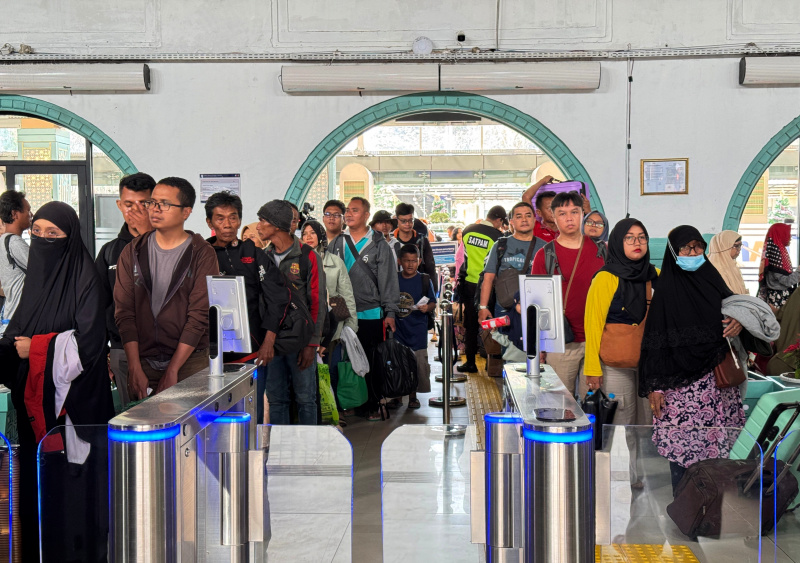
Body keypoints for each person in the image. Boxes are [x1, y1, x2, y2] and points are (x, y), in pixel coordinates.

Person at [0, 202, 115, 561]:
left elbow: (90, 344)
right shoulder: (35, 278)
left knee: (73, 489)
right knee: (40, 489)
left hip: (75, 409)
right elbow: (15, 333)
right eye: (36, 233)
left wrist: (34, 349)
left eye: (53, 234)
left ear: (70, 237)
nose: (43, 240)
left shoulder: (86, 278)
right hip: (35, 408)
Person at [638, 225, 745, 494]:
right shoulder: (666, 291)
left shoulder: (712, 279)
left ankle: (713, 509)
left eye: (698, 246)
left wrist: (738, 321)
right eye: (685, 247)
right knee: (683, 453)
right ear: (674, 251)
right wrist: (656, 387)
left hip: (716, 385)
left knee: (718, 452)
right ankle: (686, 508)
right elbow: (655, 341)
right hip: (680, 390)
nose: (693, 252)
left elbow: (739, 311)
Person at [114, 177, 219, 399]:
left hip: (189, 362)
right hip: (143, 361)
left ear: (186, 212)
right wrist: (134, 366)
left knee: (190, 431)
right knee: (146, 431)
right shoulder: (133, 251)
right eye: (152, 202)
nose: (155, 209)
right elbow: (125, 312)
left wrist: (174, 369)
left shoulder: (202, 253)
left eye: (165, 204)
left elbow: (199, 315)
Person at [205, 191, 290, 424]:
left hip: (252, 351)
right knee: (212, 416)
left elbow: (278, 297)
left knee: (250, 414)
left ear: (240, 220)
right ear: (209, 222)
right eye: (220, 218)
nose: (227, 224)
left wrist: (268, 342)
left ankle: (254, 458)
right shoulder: (201, 254)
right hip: (207, 356)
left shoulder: (253, 253)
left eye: (233, 217)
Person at [329, 196, 400, 421]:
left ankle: (373, 402)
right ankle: (349, 401)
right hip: (341, 314)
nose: (348, 214)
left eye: (355, 211)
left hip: (371, 313)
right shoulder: (337, 242)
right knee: (344, 360)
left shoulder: (379, 244)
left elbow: (389, 281)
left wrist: (390, 312)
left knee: (371, 360)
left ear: (367, 215)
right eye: (347, 211)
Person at [258, 200, 326, 425]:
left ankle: (308, 453)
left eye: (263, 221)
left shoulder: (308, 257)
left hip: (300, 341)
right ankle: (281, 452)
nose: (258, 226)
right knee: (277, 399)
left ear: (277, 225)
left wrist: (311, 345)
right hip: (272, 342)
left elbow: (317, 303)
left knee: (306, 399)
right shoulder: (263, 257)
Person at [530, 192, 605, 395]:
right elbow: (537, 304)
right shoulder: (545, 255)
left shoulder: (602, 251)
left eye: (575, 212)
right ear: (553, 217)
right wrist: (539, 346)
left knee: (593, 406)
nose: (569, 218)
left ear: (583, 214)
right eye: (562, 213)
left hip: (598, 341)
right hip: (561, 343)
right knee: (559, 405)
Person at [584, 218, 658, 422]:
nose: (637, 243)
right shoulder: (605, 278)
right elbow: (593, 324)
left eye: (642, 238)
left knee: (648, 423)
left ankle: (642, 456)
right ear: (617, 242)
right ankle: (620, 457)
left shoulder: (654, 275)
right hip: (615, 364)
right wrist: (592, 368)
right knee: (621, 424)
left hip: (649, 365)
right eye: (630, 238)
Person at [95, 172, 155, 406]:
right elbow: (98, 305)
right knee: (132, 421)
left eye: (144, 204)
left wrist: (148, 235)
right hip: (121, 350)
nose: (136, 211)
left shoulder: (173, 243)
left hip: (168, 352)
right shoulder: (109, 251)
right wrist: (104, 356)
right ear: (119, 205)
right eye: (129, 204)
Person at [300, 219, 358, 420]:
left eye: (312, 233)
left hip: (332, 326)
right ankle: (312, 413)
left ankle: (332, 411)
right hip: (305, 326)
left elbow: (347, 294)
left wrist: (351, 327)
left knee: (330, 369)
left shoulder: (335, 262)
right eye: (304, 233)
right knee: (306, 373)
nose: (308, 237)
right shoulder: (297, 261)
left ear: (321, 236)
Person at [456, 205, 506, 373]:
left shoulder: (468, 230)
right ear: (499, 220)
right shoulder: (498, 236)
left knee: (470, 325)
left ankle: (470, 363)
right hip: (488, 286)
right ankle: (491, 363)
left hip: (469, 283)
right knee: (492, 323)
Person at [478, 202, 545, 323]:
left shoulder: (544, 247)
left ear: (534, 219)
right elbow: (488, 277)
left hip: (534, 308)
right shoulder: (500, 245)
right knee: (505, 342)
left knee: (535, 341)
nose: (524, 219)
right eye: (519, 216)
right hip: (504, 309)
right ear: (511, 222)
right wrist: (483, 307)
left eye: (528, 215)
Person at [395, 244, 437, 408]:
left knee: (417, 364)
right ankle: (397, 396)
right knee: (399, 363)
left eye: (414, 261)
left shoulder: (424, 280)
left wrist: (428, 307)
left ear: (419, 261)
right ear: (400, 261)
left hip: (418, 331)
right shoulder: (394, 279)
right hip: (398, 329)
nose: (410, 264)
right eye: (407, 261)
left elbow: (433, 301)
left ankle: (413, 396)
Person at [0, 190, 31, 335]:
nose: (30, 215)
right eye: (27, 210)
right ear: (14, 214)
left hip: (9, 316)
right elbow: (42, 269)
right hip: (18, 321)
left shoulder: (3, 240)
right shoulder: (14, 242)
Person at [393, 203, 438, 291]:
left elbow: (430, 267)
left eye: (410, 220)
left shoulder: (422, 240)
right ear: (397, 220)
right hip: (396, 289)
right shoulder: (390, 241)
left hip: (418, 288)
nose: (407, 224)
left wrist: (433, 292)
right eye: (403, 221)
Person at [757, 223, 799, 311]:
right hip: (778, 301)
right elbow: (787, 281)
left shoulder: (779, 253)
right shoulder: (775, 257)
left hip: (779, 298)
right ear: (780, 235)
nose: (790, 237)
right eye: (787, 234)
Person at [708, 230, 748, 295]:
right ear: (725, 247)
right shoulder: (715, 267)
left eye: (740, 245)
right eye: (736, 246)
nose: (740, 249)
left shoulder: (731, 264)